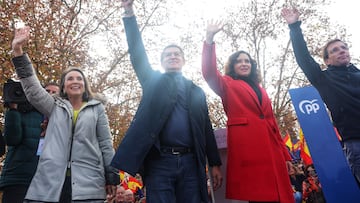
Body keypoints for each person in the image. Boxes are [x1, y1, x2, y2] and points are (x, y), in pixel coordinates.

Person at [111, 1, 222, 202]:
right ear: (161, 62)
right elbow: (137, 54)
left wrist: (214, 163)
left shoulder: (196, 91)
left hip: (191, 162)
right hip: (159, 162)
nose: (172, 57)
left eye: (176, 54)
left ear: (183, 60)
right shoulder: (152, 81)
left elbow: (206, 128)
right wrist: (129, 13)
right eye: (168, 55)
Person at [10, 25, 118, 202]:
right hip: (51, 183)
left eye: (79, 78)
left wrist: (111, 173)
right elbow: (32, 87)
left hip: (88, 183)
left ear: (84, 84)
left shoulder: (97, 108)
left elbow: (105, 143)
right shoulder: (54, 106)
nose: (75, 81)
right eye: (70, 79)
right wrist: (17, 49)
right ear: (64, 86)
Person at [202, 20, 295, 203]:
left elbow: (272, 123)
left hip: (272, 150)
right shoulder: (227, 84)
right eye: (239, 61)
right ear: (233, 66)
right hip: (249, 149)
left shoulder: (261, 89)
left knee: (280, 197)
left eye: (247, 61)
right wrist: (209, 39)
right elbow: (209, 73)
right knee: (258, 195)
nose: (244, 64)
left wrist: (285, 156)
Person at [281, 8, 360, 185]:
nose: (341, 51)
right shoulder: (324, 79)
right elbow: (304, 59)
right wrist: (294, 27)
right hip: (356, 143)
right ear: (327, 60)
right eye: (334, 50)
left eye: (344, 48)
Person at [0, 82, 59, 203]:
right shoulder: (23, 111)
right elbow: (11, 140)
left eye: (55, 93)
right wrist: (13, 110)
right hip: (19, 178)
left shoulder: (63, 119)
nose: (50, 95)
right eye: (47, 92)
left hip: (48, 183)